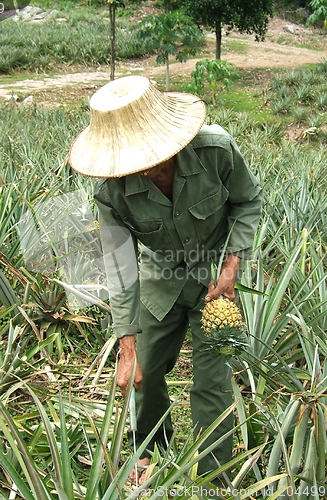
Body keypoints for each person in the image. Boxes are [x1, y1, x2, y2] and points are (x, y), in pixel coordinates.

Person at [68, 75, 263, 485]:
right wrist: (126, 340)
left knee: (213, 383)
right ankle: (149, 454)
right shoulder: (113, 194)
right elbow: (121, 267)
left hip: (218, 280)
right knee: (146, 372)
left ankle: (214, 478)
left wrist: (231, 266)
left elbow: (248, 202)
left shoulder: (216, 150)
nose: (145, 170)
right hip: (162, 278)